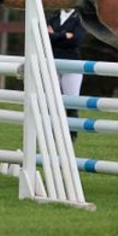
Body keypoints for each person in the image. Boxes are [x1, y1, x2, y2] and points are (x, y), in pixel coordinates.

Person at [47, 8, 86, 141]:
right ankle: (54, 132)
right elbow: (46, 37)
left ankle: (71, 134)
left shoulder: (79, 18)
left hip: (72, 64)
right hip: (53, 62)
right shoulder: (53, 17)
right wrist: (64, 35)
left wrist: (55, 35)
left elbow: (76, 40)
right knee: (53, 101)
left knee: (71, 102)